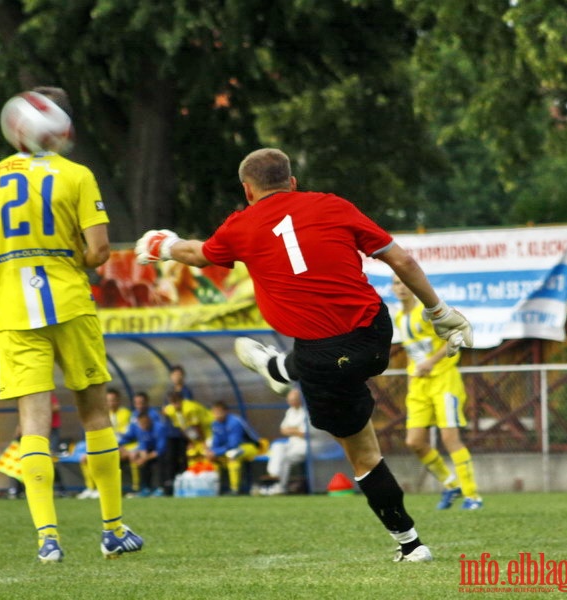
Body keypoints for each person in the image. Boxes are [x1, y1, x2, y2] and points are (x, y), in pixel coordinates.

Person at [135, 147, 473, 563]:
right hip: (375, 336)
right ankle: (279, 365)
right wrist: (439, 311)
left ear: (247, 189)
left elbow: (198, 254)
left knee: (364, 456)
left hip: (322, 358)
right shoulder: (332, 205)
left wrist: (162, 244)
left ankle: (411, 544)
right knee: (333, 368)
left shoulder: (241, 225)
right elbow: (400, 258)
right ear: (292, 181)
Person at [0, 86, 142, 562]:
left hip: (14, 309)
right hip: (67, 301)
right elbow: (100, 250)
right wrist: (73, 259)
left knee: (33, 423)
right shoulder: (77, 175)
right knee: (94, 412)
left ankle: (48, 538)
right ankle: (113, 528)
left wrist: (6, 291)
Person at [392, 276, 483, 510]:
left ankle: (472, 496)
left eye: (404, 282)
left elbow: (455, 336)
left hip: (443, 381)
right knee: (414, 442)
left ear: (412, 287)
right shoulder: (400, 317)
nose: (401, 287)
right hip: (418, 385)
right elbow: (415, 352)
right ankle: (451, 484)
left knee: (449, 438)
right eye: (396, 283)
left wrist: (431, 362)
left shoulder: (426, 312)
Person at [264, 388, 333, 496]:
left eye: (294, 400)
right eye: (289, 400)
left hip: (311, 445)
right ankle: (274, 474)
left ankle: (279, 486)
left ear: (301, 399)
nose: (291, 402)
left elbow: (304, 433)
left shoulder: (308, 411)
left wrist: (290, 430)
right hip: (293, 443)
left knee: (285, 459)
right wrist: (294, 430)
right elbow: (282, 430)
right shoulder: (290, 411)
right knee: (278, 446)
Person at [78, 388, 132, 499]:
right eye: (108, 400)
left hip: (124, 447)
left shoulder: (126, 414)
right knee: (85, 458)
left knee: (108, 459)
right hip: (107, 445)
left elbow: (128, 433)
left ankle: (111, 489)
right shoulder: (102, 414)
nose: (111, 403)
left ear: (119, 400)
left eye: (114, 400)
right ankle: (91, 488)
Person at [160, 389, 213, 495]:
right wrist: (191, 441)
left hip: (209, 429)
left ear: (181, 400)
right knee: (191, 454)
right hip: (195, 434)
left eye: (176, 401)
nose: (174, 405)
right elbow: (183, 427)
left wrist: (203, 443)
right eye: (172, 402)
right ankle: (194, 486)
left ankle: (211, 486)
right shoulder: (171, 410)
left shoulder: (190, 408)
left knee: (206, 453)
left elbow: (197, 426)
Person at [205, 401, 260, 495]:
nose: (216, 415)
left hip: (249, 447)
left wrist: (216, 452)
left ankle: (235, 489)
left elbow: (233, 444)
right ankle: (214, 489)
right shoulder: (215, 424)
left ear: (226, 411)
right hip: (228, 449)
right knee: (212, 459)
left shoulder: (234, 422)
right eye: (214, 412)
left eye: (219, 412)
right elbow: (215, 443)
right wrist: (212, 452)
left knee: (233, 455)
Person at [118, 410, 168, 496]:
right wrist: (141, 457)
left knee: (159, 463)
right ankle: (145, 488)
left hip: (162, 453)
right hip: (149, 452)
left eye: (145, 423)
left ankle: (161, 488)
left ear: (149, 420)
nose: (143, 426)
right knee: (141, 463)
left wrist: (144, 458)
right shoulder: (140, 429)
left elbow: (161, 449)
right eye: (141, 424)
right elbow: (143, 446)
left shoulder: (159, 428)